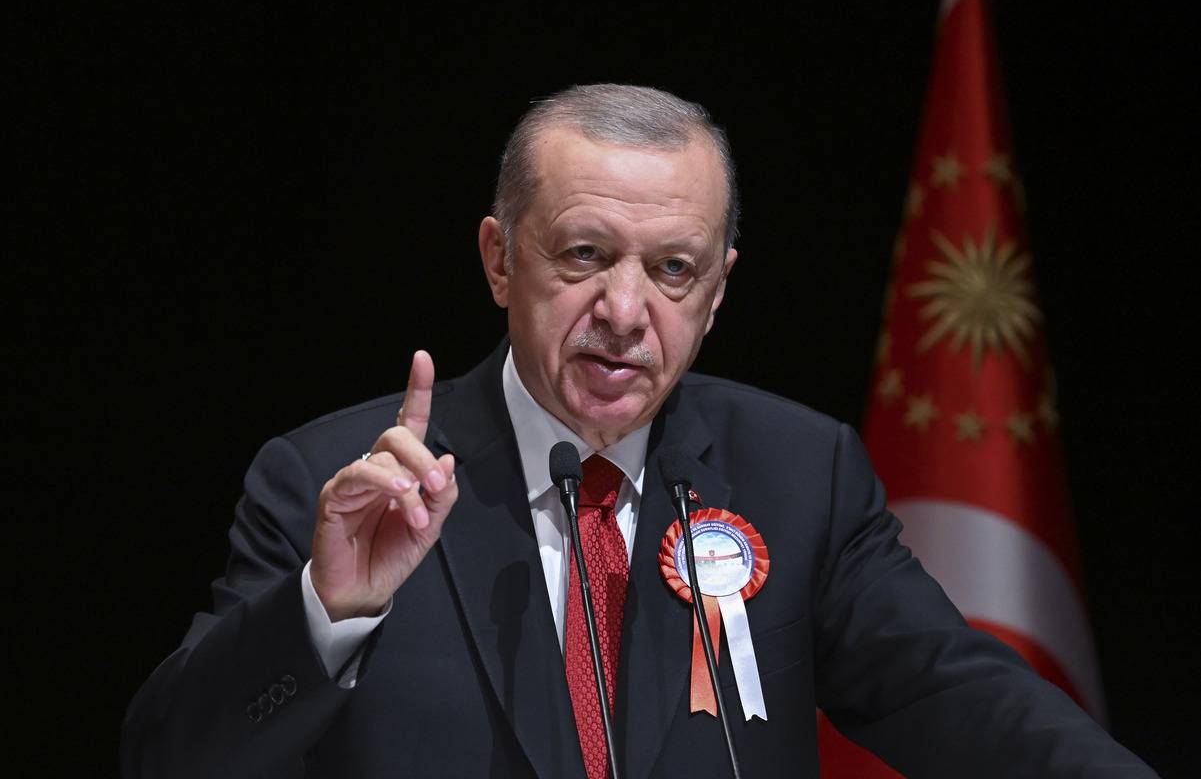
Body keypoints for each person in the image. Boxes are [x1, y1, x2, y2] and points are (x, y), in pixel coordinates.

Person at [122, 84, 1155, 778]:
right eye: (582, 254)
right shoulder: (330, 480)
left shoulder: (799, 474)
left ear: (717, 292)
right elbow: (168, 758)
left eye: (672, 269)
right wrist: (324, 612)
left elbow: (951, 692)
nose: (625, 309)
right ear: (498, 259)